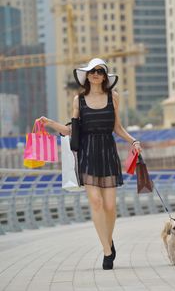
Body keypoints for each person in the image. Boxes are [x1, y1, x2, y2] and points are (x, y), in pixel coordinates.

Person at [39, 58, 141, 270]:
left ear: (105, 76)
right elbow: (72, 130)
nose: (95, 74)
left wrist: (134, 141)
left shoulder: (114, 97)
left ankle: (109, 241)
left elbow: (118, 127)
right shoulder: (79, 100)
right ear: (86, 76)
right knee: (96, 202)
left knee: (111, 206)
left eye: (99, 71)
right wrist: (50, 123)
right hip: (87, 153)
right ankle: (106, 251)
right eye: (92, 71)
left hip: (108, 152)